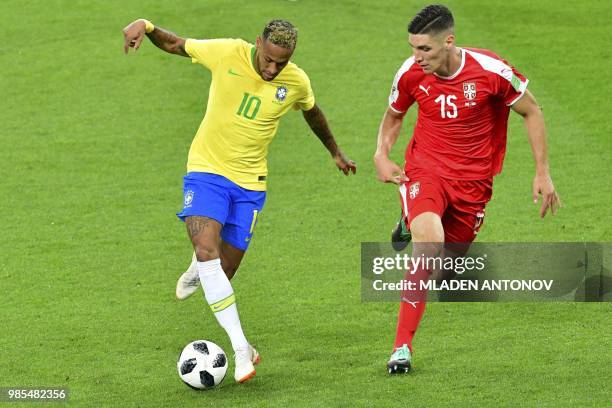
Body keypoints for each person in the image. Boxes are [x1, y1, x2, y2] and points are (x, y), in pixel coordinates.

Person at [122, 18, 356, 383]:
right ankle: (241, 348)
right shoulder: (227, 52)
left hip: (250, 185)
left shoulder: (296, 81)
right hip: (206, 172)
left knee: (223, 273)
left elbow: (312, 112)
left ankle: (200, 268)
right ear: (258, 43)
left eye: (282, 62)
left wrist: (335, 152)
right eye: (268, 59)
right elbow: (176, 45)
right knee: (207, 252)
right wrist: (147, 27)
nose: (272, 68)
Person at [373, 4, 560, 374]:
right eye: (412, 47)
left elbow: (532, 111)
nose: (417, 57)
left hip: (474, 182)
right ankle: (401, 348)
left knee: (444, 271)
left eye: (425, 49)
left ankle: (409, 216)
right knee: (428, 249)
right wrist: (381, 153)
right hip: (426, 168)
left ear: (449, 41)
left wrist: (543, 172)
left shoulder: (491, 71)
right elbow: (394, 116)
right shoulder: (410, 73)